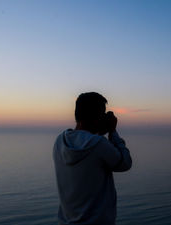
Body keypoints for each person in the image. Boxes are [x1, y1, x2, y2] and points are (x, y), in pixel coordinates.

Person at [53, 92, 132, 225]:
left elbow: (86, 140)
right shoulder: (99, 144)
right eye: (102, 114)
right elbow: (125, 163)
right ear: (97, 116)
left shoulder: (60, 141)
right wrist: (112, 131)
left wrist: (100, 131)